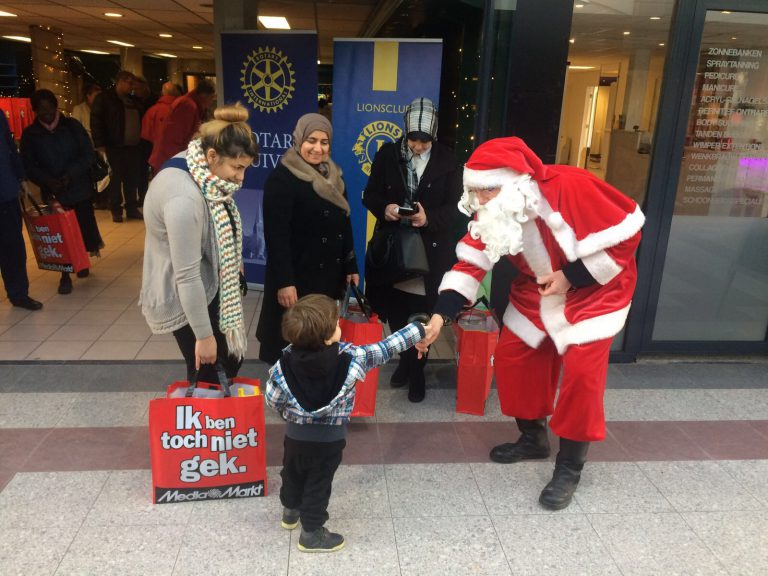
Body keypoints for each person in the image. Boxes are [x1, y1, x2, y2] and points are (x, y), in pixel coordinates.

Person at [417, 136, 644, 510]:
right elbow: (471, 261)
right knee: (514, 358)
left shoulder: (572, 185)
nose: (481, 199)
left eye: (487, 190)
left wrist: (572, 276)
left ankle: (569, 467)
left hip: (596, 288)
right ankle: (533, 438)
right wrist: (440, 315)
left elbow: (627, 232)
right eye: (474, 191)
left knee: (582, 376)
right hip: (538, 287)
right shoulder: (490, 209)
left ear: (512, 182)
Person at [265, 294, 428, 552]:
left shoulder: (281, 366)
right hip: (329, 442)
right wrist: (418, 329)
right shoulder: (353, 358)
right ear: (329, 337)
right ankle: (311, 534)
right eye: (336, 324)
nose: (340, 326)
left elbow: (273, 401)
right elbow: (386, 347)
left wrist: (291, 415)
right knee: (319, 484)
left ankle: (290, 511)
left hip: (295, 438)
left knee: (292, 473)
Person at [140, 103, 259, 383]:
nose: (241, 178)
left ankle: (214, 418)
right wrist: (204, 337)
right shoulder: (183, 198)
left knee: (231, 359)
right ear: (212, 155)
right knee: (209, 372)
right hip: (186, 292)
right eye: (237, 167)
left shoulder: (200, 165)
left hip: (208, 280)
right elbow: (187, 275)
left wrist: (232, 260)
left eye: (246, 168)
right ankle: (207, 424)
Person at [362, 97, 463, 402]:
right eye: (413, 140)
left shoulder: (449, 160)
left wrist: (427, 217)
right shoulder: (388, 155)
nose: (418, 146)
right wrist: (388, 208)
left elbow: (459, 208)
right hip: (394, 250)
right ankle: (405, 363)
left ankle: (417, 371)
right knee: (395, 312)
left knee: (420, 315)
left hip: (429, 253)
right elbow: (370, 195)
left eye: (425, 140)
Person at [256, 113, 359, 364]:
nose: (317, 148)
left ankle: (313, 381)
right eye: (311, 140)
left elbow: (343, 224)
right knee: (290, 339)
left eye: (324, 142)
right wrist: (284, 282)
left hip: (327, 276)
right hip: (297, 276)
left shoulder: (334, 176)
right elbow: (276, 236)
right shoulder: (282, 178)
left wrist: (350, 265)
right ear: (298, 139)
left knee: (318, 336)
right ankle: (288, 389)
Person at [21, 89, 103, 295]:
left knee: (83, 226)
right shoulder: (31, 135)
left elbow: (87, 155)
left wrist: (70, 175)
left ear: (56, 107)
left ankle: (81, 259)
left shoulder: (72, 127)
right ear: (35, 111)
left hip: (78, 186)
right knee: (60, 233)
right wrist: (46, 180)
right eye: (41, 111)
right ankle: (65, 274)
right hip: (53, 189)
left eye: (49, 110)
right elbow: (28, 165)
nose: (47, 115)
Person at [0, 112, 42, 311]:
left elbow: (10, 148)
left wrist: (21, 177)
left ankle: (18, 294)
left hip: (5, 192)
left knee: (13, 249)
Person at [90, 69, 145, 222]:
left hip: (133, 146)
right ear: (120, 81)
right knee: (115, 179)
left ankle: (132, 208)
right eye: (130, 83)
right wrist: (99, 144)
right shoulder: (105, 98)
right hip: (114, 146)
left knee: (131, 179)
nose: (132, 87)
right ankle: (116, 209)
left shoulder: (133, 100)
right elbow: (96, 122)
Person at [148, 80, 216, 173]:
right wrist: (179, 163)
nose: (211, 103)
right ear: (205, 96)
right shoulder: (188, 105)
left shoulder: (189, 103)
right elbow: (175, 138)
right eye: (212, 99)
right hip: (170, 160)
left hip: (170, 158)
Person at [141, 81, 181, 155]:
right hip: (179, 153)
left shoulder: (152, 111)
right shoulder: (184, 110)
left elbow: (146, 135)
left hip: (158, 154)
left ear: (162, 93)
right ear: (177, 93)